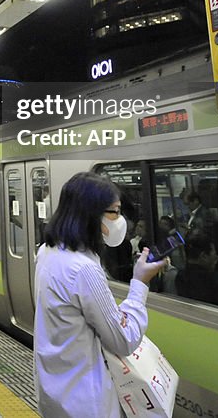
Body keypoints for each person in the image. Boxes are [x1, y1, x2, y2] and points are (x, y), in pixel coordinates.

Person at [34, 172, 168, 418]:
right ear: (89, 214)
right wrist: (140, 283)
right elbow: (122, 340)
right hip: (89, 401)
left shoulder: (47, 252)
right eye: (114, 212)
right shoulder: (84, 269)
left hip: (56, 392)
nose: (120, 220)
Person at [175, 233, 218, 308]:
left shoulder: (180, 277)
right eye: (213, 253)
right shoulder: (214, 281)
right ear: (204, 256)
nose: (216, 256)